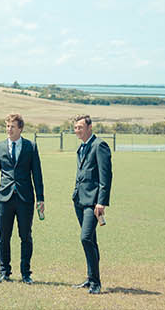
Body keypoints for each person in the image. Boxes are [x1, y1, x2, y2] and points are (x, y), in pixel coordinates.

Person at [0, 112, 44, 284]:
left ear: (20, 128)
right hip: (4, 198)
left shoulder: (31, 147)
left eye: (12, 126)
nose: (8, 129)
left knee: (25, 236)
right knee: (4, 236)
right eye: (7, 126)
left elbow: (37, 174)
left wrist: (40, 199)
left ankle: (26, 273)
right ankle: (4, 272)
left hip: (25, 198)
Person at [71, 114, 112, 294]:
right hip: (79, 200)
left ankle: (96, 282)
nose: (77, 130)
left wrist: (101, 202)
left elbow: (106, 176)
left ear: (89, 128)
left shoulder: (99, 145)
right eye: (75, 128)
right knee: (91, 240)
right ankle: (90, 278)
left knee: (85, 238)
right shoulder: (82, 147)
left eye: (80, 127)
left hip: (93, 202)